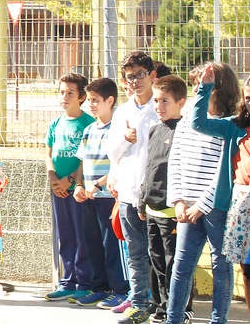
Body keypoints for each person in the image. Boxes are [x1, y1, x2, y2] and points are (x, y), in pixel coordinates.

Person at [192, 65, 250, 324]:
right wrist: (205, 88)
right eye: (248, 97)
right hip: (242, 205)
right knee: (248, 272)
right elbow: (198, 123)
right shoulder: (236, 127)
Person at [165, 63, 239, 324]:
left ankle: (218, 320)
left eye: (205, 85)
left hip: (215, 208)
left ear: (220, 89)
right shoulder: (187, 122)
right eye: (196, 85)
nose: (198, 91)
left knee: (221, 265)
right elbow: (176, 159)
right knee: (181, 266)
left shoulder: (229, 125)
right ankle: (173, 318)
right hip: (187, 206)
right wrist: (178, 200)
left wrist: (203, 205)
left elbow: (223, 170)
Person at [106, 51, 160, 324]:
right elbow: (112, 152)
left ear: (152, 76)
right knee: (136, 252)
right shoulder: (123, 112)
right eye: (129, 78)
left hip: (157, 195)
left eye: (140, 75)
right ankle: (139, 301)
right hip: (128, 193)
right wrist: (126, 139)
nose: (134, 82)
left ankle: (162, 304)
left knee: (159, 254)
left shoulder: (161, 108)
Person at [72, 77, 129, 309]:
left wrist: (98, 184)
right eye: (90, 101)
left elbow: (120, 163)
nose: (91, 105)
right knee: (91, 243)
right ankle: (99, 288)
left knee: (112, 246)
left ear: (110, 100)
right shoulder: (89, 130)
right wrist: (78, 186)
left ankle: (120, 290)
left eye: (96, 101)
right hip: (89, 197)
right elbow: (81, 162)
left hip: (108, 197)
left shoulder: (118, 129)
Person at [136, 75, 188, 323]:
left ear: (181, 102)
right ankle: (159, 305)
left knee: (173, 263)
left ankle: (178, 307)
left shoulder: (185, 131)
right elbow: (150, 167)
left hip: (172, 211)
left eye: (165, 101)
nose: (159, 106)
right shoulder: (155, 129)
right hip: (152, 208)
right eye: (156, 101)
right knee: (155, 260)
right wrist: (142, 197)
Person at [42, 72, 98, 302]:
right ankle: (68, 280)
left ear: (82, 97)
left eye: (70, 93)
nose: (64, 97)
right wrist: (54, 178)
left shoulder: (88, 123)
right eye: (62, 92)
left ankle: (84, 282)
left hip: (77, 189)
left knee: (82, 234)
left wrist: (72, 181)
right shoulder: (56, 123)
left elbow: (85, 158)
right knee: (65, 235)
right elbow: (48, 152)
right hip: (59, 188)